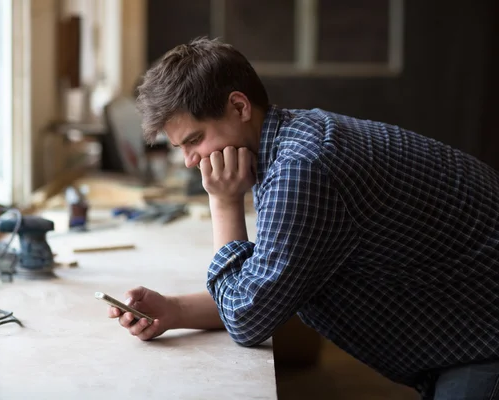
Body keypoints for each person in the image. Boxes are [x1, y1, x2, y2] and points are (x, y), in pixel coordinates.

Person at [106, 37, 499, 400]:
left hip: (483, 345)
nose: (190, 161)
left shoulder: (303, 167)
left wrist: (224, 202)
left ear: (240, 107)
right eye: (181, 148)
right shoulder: (291, 140)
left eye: (195, 140)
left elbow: (248, 318)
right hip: (470, 335)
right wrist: (173, 310)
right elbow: (273, 287)